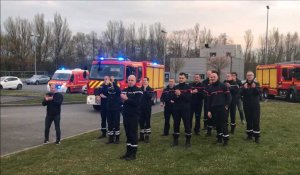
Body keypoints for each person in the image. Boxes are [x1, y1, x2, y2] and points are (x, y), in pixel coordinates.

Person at [120, 75, 143, 161]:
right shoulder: (124, 90)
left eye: (132, 80)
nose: (130, 81)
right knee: (128, 134)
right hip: (126, 115)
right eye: (129, 80)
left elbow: (137, 103)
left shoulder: (139, 91)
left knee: (133, 134)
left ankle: (133, 154)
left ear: (135, 81)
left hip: (134, 115)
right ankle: (128, 153)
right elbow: (121, 101)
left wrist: (126, 99)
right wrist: (122, 101)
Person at [205, 72, 231, 146]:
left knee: (223, 124)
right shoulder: (210, 88)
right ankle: (219, 138)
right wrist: (209, 110)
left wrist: (226, 105)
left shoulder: (223, 86)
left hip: (222, 108)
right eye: (211, 77)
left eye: (214, 77)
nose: (212, 78)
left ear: (217, 77)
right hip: (214, 109)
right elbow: (208, 101)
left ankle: (225, 140)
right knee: (217, 124)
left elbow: (228, 96)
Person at [171, 72, 192, 148]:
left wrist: (180, 94)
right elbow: (172, 98)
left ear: (185, 79)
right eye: (180, 78)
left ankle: (188, 141)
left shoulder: (189, 88)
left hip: (185, 109)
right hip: (176, 109)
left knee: (187, 124)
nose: (181, 79)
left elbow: (189, 99)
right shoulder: (175, 87)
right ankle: (175, 140)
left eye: (182, 78)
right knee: (176, 124)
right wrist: (176, 96)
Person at [241, 71, 261, 143]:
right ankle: (249, 135)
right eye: (248, 75)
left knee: (256, 120)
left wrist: (255, 88)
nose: (249, 76)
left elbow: (259, 93)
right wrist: (244, 88)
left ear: (253, 76)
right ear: (246, 76)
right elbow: (240, 93)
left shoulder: (256, 83)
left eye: (251, 75)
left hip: (255, 105)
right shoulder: (243, 84)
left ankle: (256, 137)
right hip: (246, 105)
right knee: (248, 120)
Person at [106, 79, 122, 144]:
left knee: (116, 124)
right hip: (109, 109)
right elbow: (105, 92)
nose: (111, 84)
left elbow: (118, 91)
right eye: (111, 83)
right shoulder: (109, 89)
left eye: (113, 83)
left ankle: (117, 138)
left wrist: (114, 85)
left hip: (116, 109)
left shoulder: (117, 89)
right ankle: (111, 138)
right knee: (110, 124)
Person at [139, 77, 154, 143]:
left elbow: (150, 97)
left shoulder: (151, 89)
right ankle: (141, 136)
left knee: (147, 121)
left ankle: (147, 136)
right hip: (140, 108)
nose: (144, 82)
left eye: (145, 80)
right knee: (141, 121)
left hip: (147, 108)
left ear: (148, 81)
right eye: (143, 80)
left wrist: (145, 91)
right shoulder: (139, 89)